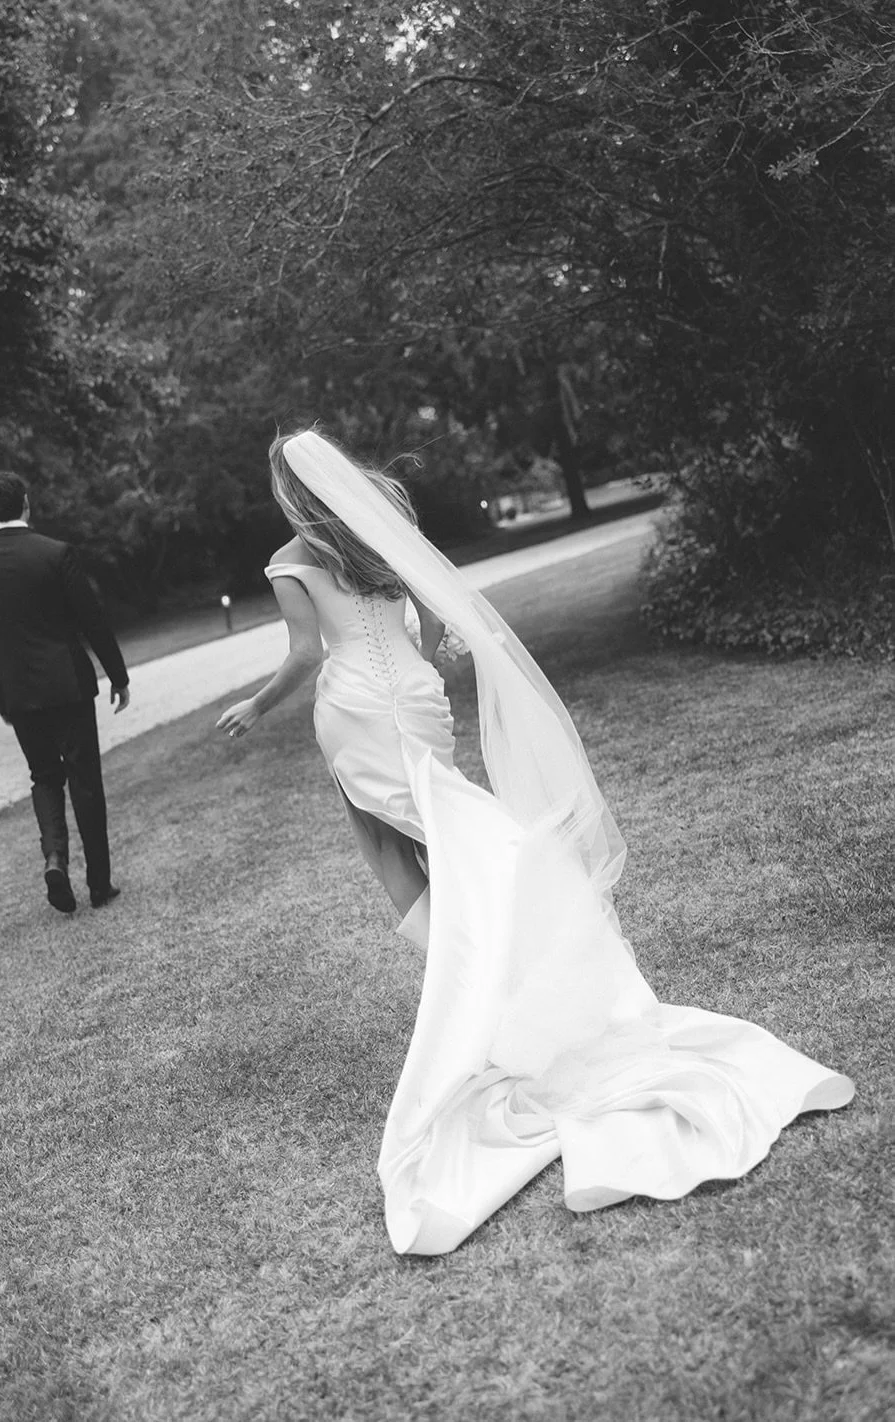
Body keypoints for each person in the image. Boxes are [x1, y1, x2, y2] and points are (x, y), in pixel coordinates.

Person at [218, 427, 854, 1257]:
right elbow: (429, 614)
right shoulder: (379, 529)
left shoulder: (290, 559)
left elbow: (306, 651)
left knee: (398, 845)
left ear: (287, 491)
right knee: (442, 823)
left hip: (355, 710)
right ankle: (485, 962)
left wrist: (255, 705)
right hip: (412, 693)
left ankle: (483, 967)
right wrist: (431, 656)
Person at [0, 474, 130, 914]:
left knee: (44, 776)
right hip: (68, 685)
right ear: (26, 503)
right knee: (84, 779)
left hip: (18, 693)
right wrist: (118, 675)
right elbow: (91, 618)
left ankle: (55, 858)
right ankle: (99, 885)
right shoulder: (55, 553)